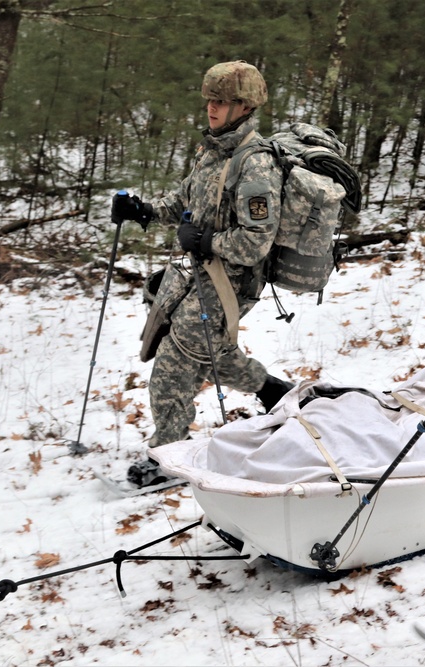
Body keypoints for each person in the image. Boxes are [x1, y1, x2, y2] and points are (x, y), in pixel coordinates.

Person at [112, 61, 293, 487]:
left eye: (222, 101)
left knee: (175, 360)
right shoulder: (213, 150)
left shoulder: (256, 165)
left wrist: (207, 241)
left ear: (244, 107)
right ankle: (271, 390)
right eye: (209, 99)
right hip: (199, 273)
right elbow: (185, 201)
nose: (211, 108)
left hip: (232, 282)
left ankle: (170, 456)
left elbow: (255, 244)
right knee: (208, 351)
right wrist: (144, 210)